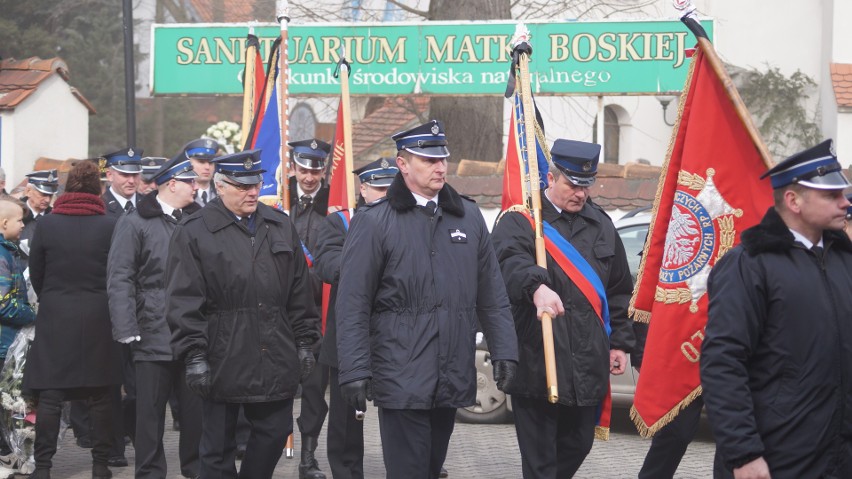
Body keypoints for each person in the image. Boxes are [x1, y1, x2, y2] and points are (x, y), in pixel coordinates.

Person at [335, 120, 518, 479]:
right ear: (402, 165)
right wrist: (354, 369)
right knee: (409, 471)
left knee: (432, 468)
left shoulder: (467, 216)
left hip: (450, 370)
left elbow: (492, 294)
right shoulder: (375, 222)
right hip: (400, 370)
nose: (440, 167)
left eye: (442, 159)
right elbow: (353, 302)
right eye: (427, 160)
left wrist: (505, 350)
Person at [701, 139, 852, 478]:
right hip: (776, 457)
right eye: (832, 196)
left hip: (839, 455)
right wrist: (743, 454)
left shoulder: (845, 260)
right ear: (793, 200)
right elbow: (724, 362)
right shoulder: (750, 264)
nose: (845, 203)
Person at [166, 149, 321, 479]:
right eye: (242, 186)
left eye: (256, 184)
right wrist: (194, 355)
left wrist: (306, 341)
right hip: (221, 352)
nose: (253, 192)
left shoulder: (279, 225)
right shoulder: (195, 230)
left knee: (276, 431)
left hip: (274, 350)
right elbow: (183, 300)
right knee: (217, 449)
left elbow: (299, 292)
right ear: (220, 186)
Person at [491, 139, 635, 479]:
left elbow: (617, 289)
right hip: (539, 361)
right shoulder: (523, 221)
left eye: (586, 185)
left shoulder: (601, 224)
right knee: (540, 462)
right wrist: (536, 287)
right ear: (551, 179)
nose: (581, 193)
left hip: (587, 362)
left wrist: (619, 343)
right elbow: (508, 261)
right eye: (573, 184)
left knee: (579, 444)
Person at [23, 161, 122, 479]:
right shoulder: (110, 225)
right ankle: (101, 465)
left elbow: (36, 273)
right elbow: (117, 274)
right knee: (100, 395)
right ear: (97, 189)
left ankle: (44, 467)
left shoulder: (48, 224)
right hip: (99, 316)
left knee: (50, 396)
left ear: (67, 189)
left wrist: (53, 299)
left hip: (56, 316)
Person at [107, 155, 202, 479]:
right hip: (151, 332)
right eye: (189, 181)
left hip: (192, 332)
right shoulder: (135, 223)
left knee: (195, 411)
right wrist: (126, 328)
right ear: (171, 184)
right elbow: (120, 277)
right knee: (149, 413)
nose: (196, 186)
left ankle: (195, 468)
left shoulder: (197, 220)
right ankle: (149, 472)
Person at [313, 157, 398, 479]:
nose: (385, 194)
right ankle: (347, 471)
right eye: (378, 188)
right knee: (347, 415)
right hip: (352, 334)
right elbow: (325, 265)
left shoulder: (409, 221)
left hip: (396, 334)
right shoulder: (340, 223)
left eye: (391, 188)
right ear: (362, 189)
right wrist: (366, 268)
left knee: (406, 407)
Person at [287, 137, 332, 479]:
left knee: (314, 391)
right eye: (303, 169)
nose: (309, 177)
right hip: (278, 314)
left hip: (317, 315)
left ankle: (307, 457)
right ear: (293, 168)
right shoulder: (276, 200)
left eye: (315, 170)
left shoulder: (335, 205)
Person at [0, 199, 35, 470]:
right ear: (4, 224)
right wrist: (35, 315)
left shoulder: (9, 252)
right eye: (20, 220)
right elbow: (3, 304)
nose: (24, 224)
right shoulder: (2, 256)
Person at [19, 170, 58, 250]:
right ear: (28, 191)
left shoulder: (55, 217)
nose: (47, 200)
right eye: (43, 194)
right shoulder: (16, 214)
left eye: (50, 195)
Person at [181, 138, 220, 207]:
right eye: (201, 162)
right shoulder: (181, 195)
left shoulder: (222, 194)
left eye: (211, 162)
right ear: (189, 163)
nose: (207, 167)